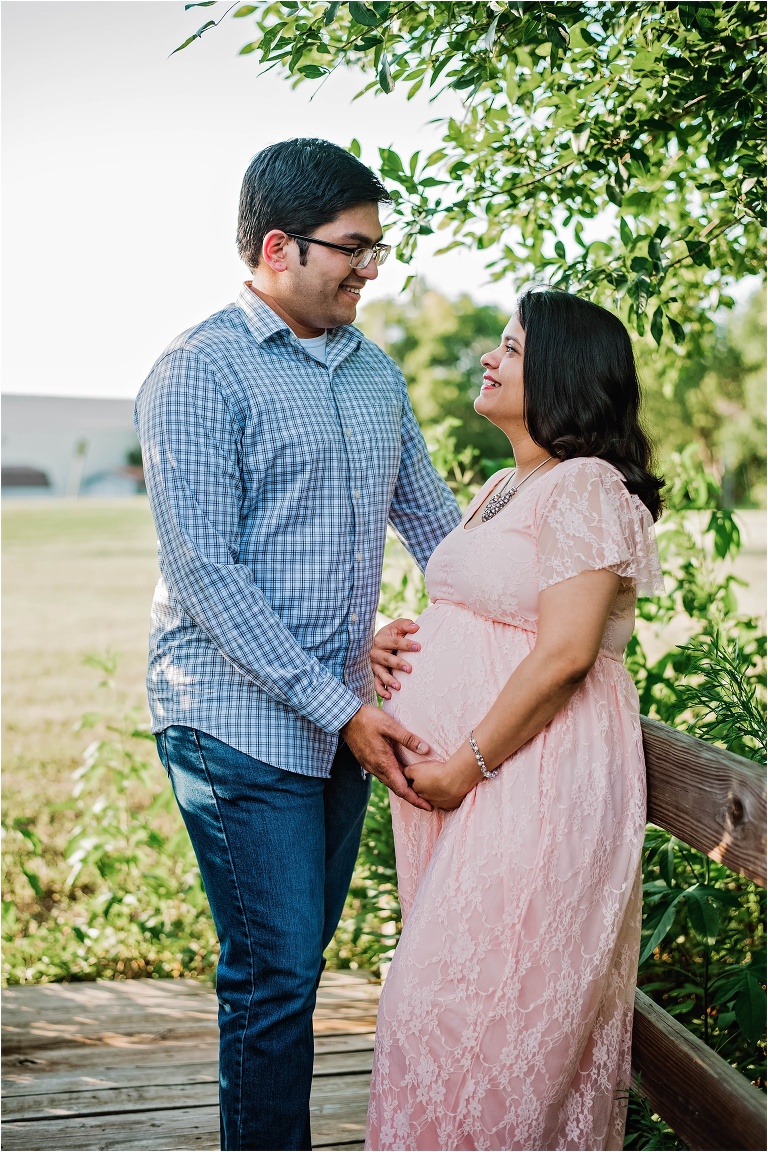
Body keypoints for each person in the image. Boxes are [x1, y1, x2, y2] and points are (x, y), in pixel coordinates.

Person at [134, 137, 460, 1152]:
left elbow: (438, 526)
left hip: (338, 715)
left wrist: (547, 607)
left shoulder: (375, 374)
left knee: (296, 959)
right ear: (279, 246)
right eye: (351, 248)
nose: (371, 268)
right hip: (232, 717)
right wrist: (347, 709)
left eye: (375, 247)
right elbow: (206, 578)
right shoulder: (196, 374)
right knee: (275, 971)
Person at [365, 286, 665, 1152]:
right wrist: (395, 645)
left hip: (527, 774)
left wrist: (464, 764)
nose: (489, 360)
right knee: (449, 1009)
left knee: (471, 1015)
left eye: (511, 347)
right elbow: (475, 605)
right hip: (472, 782)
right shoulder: (506, 483)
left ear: (564, 374)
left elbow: (567, 652)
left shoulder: (588, 488)